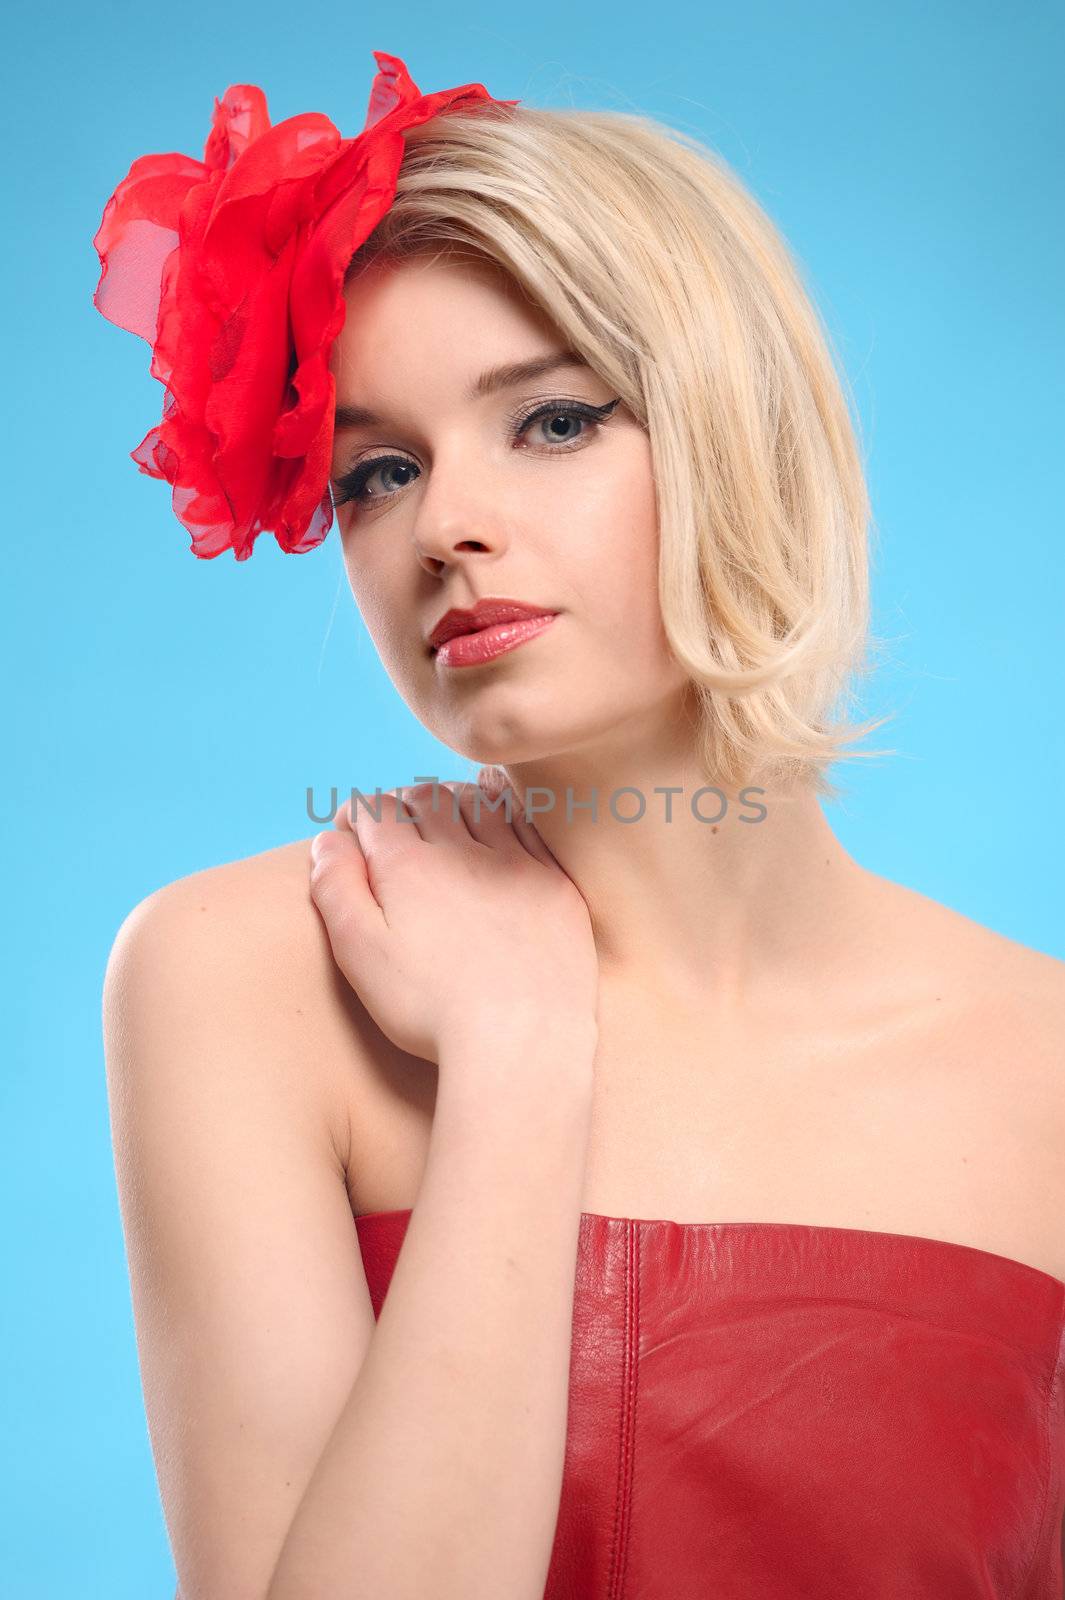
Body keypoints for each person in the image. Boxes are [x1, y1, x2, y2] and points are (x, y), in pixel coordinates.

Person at [96, 52, 1065, 1600]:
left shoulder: (1046, 1068)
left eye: (548, 421)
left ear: (738, 433)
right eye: (380, 470)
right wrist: (514, 1059)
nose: (443, 525)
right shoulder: (236, 980)